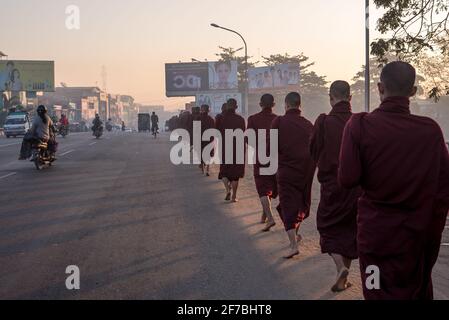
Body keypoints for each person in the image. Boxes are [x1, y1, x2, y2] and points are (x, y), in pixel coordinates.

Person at [339, 61, 449, 300]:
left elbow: (347, 179)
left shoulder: (359, 125)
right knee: (414, 292)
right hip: (416, 238)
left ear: (380, 88)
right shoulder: (430, 131)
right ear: (413, 91)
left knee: (375, 290)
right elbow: (443, 190)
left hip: (375, 239)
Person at [310, 81, 361, 292]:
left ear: (331, 97)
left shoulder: (324, 122)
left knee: (328, 226)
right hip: (357, 188)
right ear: (350, 98)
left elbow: (313, 151)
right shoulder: (359, 121)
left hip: (332, 185)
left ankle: (341, 267)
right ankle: (343, 278)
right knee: (349, 229)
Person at [272, 92, 315, 259]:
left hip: (287, 171)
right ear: (299, 105)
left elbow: (271, 146)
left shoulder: (280, 121)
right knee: (296, 204)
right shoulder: (308, 124)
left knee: (288, 205)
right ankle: (295, 235)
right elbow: (314, 148)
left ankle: (293, 245)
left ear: (286, 104)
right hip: (305, 172)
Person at [247, 94, 278, 232]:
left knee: (262, 188)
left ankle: (270, 218)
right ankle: (264, 215)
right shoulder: (278, 119)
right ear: (273, 104)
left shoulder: (253, 119)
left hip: (260, 156)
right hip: (275, 156)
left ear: (260, 104)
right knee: (271, 184)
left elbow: (248, 138)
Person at [216, 98, 246, 202]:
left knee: (224, 171)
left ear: (226, 107)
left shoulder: (221, 119)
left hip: (224, 147)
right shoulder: (241, 119)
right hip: (238, 148)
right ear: (236, 107)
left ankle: (227, 189)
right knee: (235, 174)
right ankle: (234, 196)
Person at [199, 104, 215, 176]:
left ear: (201, 110)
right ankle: (207, 170)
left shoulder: (197, 118)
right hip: (209, 139)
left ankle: (202, 169)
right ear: (208, 110)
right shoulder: (211, 119)